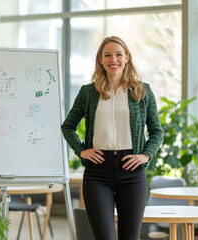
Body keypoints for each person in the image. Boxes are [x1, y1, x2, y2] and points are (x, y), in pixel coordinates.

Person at [61, 36, 163, 240]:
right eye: (107, 55)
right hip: (97, 174)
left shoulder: (142, 91)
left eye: (118, 54)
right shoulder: (88, 93)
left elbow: (157, 131)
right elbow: (68, 126)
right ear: (100, 59)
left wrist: (145, 155)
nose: (113, 59)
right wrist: (81, 150)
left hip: (132, 173)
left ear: (127, 58)